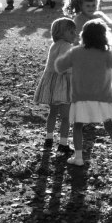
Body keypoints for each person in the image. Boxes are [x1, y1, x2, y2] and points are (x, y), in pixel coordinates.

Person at [55, 19, 112, 168]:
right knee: (109, 126)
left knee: (78, 126)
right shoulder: (107, 54)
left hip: (82, 97)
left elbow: (59, 66)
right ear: (104, 36)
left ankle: (78, 157)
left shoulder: (76, 52)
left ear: (84, 35)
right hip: (104, 97)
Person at [34, 17, 76, 154]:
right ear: (62, 33)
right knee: (66, 116)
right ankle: (63, 143)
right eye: (71, 32)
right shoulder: (67, 46)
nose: (74, 35)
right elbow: (65, 67)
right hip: (63, 83)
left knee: (53, 112)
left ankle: (49, 138)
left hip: (52, 82)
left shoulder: (55, 45)